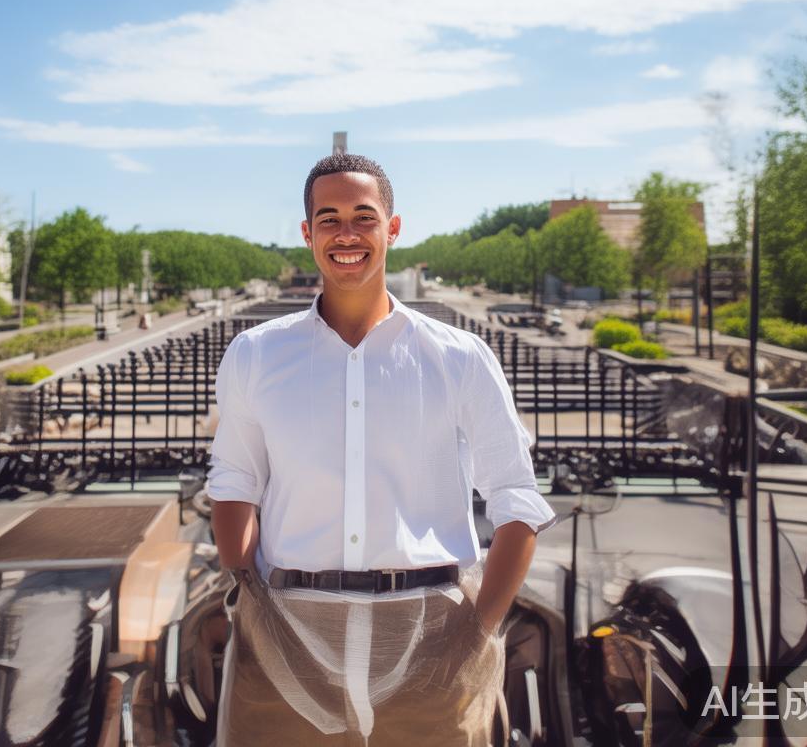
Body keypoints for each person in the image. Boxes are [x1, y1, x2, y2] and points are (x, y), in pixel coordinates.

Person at [207, 153, 556, 746]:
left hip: (434, 631)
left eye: (363, 217)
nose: (346, 234)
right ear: (307, 233)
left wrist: (479, 629)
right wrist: (250, 595)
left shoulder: (460, 357)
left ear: (392, 229)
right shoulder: (255, 354)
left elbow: (517, 499)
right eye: (329, 218)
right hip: (287, 629)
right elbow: (234, 482)